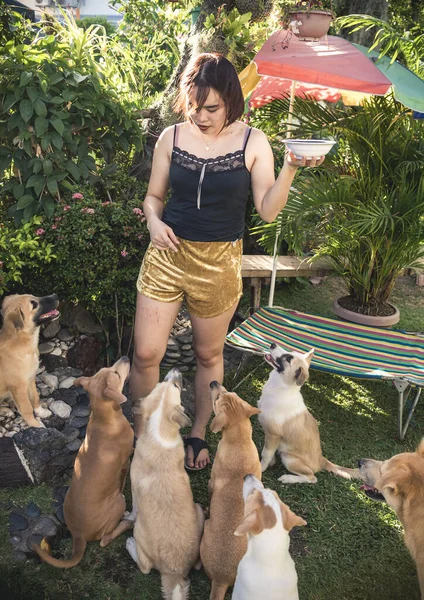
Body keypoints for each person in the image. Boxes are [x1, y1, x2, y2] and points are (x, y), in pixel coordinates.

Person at [130, 53, 325, 470]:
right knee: (146, 353)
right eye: (194, 106)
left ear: (232, 100)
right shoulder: (172, 137)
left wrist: (290, 167)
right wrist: (152, 221)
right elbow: (153, 197)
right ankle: (145, 432)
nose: (200, 116)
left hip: (219, 261)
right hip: (167, 253)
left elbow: (268, 210)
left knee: (206, 354)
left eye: (212, 108)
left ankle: (199, 430)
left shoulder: (253, 142)